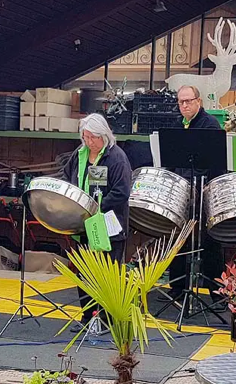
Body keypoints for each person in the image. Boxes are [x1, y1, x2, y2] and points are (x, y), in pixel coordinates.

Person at [62, 113, 132, 332]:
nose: (89, 142)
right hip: (83, 223)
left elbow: (122, 192)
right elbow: (68, 178)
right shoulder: (79, 154)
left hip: (109, 224)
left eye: (93, 137)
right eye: (85, 137)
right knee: (85, 272)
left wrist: (95, 207)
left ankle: (108, 320)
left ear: (104, 135)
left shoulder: (116, 157)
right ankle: (88, 317)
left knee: (108, 275)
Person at [159, 85, 225, 310]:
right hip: (184, 192)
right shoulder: (179, 126)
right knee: (178, 238)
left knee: (208, 242)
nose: (184, 106)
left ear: (199, 101)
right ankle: (178, 287)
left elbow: (214, 163)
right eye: (180, 102)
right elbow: (173, 161)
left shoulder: (209, 126)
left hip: (203, 191)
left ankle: (217, 293)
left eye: (188, 101)